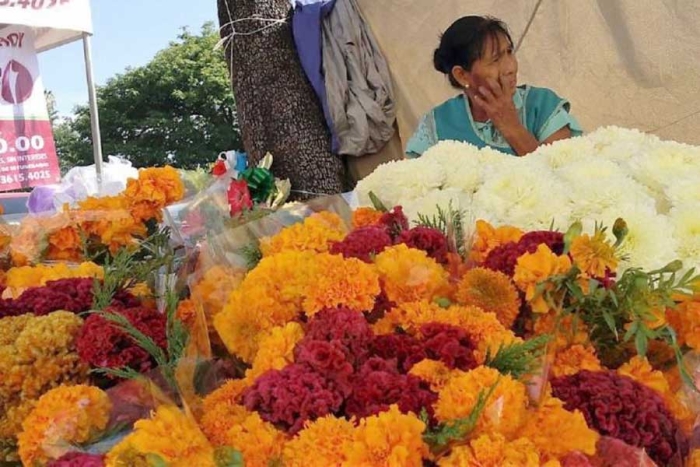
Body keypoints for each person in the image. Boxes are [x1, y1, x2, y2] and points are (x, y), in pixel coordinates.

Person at [406, 16, 582, 157]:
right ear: (462, 75)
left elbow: (565, 176)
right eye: (496, 60)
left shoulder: (543, 106)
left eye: (509, 52)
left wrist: (511, 126)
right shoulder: (438, 123)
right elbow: (414, 188)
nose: (511, 68)